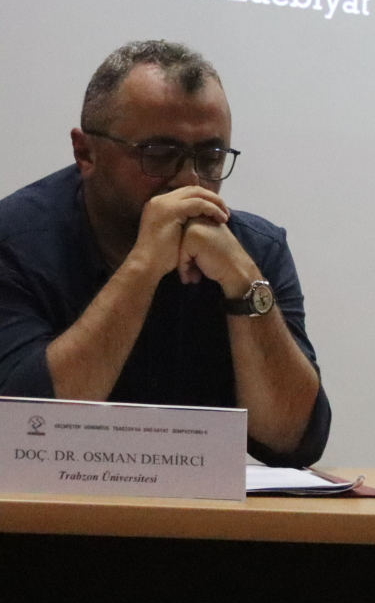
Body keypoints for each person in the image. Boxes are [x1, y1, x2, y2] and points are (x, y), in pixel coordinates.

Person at [0, 40, 328, 465]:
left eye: (210, 157)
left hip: (195, 504)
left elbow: (295, 440)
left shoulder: (253, 250)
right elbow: (24, 428)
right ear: (86, 153)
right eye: (159, 155)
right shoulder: (15, 241)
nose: (189, 181)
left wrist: (246, 286)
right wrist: (143, 267)